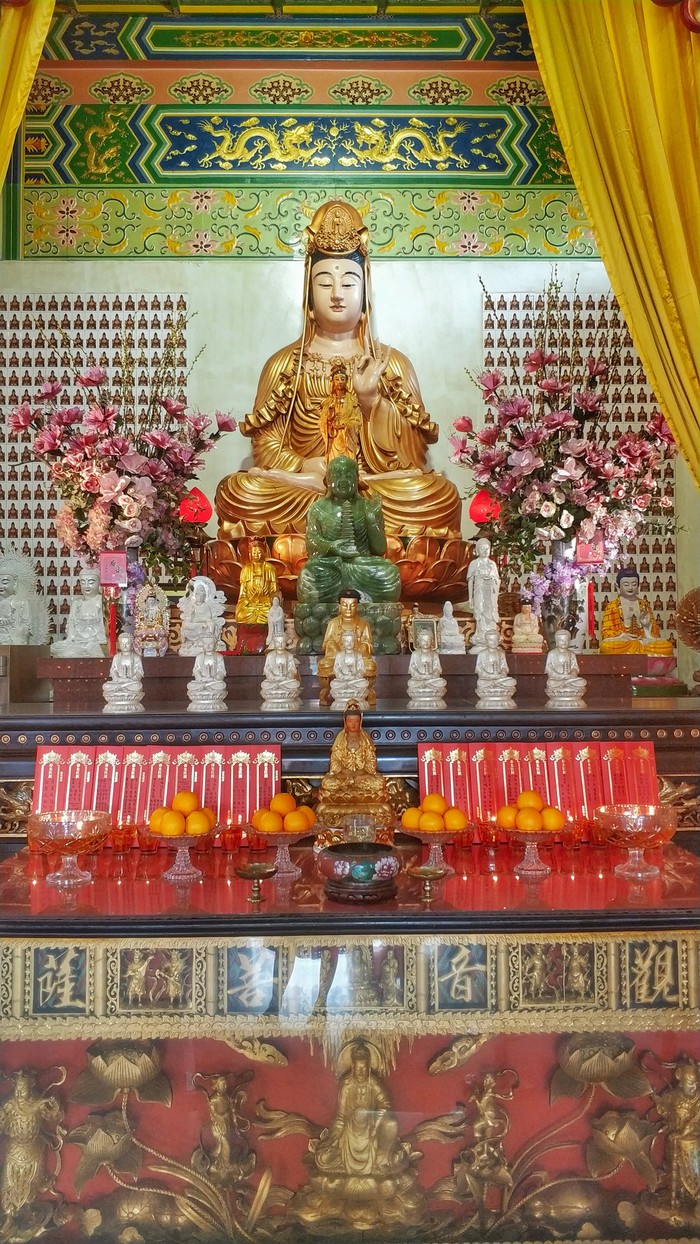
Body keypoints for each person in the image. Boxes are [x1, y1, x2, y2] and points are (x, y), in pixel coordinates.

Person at [215, 198, 461, 540]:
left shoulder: (391, 364)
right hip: (305, 487)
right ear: (308, 295)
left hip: (369, 485)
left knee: (435, 494)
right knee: (241, 491)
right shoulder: (284, 364)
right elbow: (265, 446)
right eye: (324, 283)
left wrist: (371, 402)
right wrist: (304, 465)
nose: (336, 294)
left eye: (348, 283)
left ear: (365, 292)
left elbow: (413, 459)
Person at [297, 455, 401, 604]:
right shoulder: (318, 508)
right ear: (328, 480)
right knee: (309, 575)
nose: (343, 480)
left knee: (389, 573)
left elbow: (380, 549)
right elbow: (311, 542)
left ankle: (337, 601)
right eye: (337, 475)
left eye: (348, 475)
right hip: (330, 566)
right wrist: (331, 546)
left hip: (362, 565)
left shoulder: (367, 506)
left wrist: (371, 519)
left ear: (357, 479)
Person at [316, 701, 394, 827]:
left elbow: (371, 761)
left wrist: (360, 774)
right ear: (345, 722)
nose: (353, 724)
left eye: (356, 721)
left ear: (360, 722)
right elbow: (335, 761)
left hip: (362, 777)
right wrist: (345, 773)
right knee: (327, 783)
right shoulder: (340, 739)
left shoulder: (365, 739)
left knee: (379, 783)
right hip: (343, 777)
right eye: (350, 721)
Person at [318, 588, 377, 706]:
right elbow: (327, 643)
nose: (349, 608)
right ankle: (330, 692)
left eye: (352, 605)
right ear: (339, 606)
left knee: (370, 666)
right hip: (337, 658)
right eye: (345, 605)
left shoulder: (364, 624)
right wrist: (337, 652)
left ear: (357, 607)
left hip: (357, 658)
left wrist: (358, 652)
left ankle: (363, 692)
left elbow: (368, 644)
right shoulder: (333, 623)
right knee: (324, 665)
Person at [600, 566, 673, 657]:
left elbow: (655, 633)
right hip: (623, 643)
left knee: (667, 646)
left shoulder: (644, 605)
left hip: (642, 641)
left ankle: (638, 650)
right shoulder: (612, 606)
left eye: (634, 584)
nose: (630, 587)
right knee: (606, 647)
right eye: (626, 585)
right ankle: (637, 650)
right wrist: (621, 636)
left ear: (638, 586)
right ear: (618, 587)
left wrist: (647, 626)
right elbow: (606, 631)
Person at [50, 567, 107, 658]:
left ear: (99, 583)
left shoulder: (102, 602)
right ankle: (84, 651)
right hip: (78, 641)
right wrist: (71, 638)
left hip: (96, 641)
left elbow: (105, 628)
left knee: (94, 648)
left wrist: (95, 640)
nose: (86, 586)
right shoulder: (76, 604)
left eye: (91, 582)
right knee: (55, 648)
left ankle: (87, 650)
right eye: (83, 582)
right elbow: (71, 623)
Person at [0, 553, 48, 645]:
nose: (1, 586)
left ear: (15, 584)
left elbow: (25, 627)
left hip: (12, 638)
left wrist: (15, 635)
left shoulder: (21, 603)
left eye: (5, 582)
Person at [319, 361, 362, 462]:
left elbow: (357, 420)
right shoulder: (328, 401)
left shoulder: (352, 400)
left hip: (347, 437)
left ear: (347, 381)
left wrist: (347, 425)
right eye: (337, 379)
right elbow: (322, 422)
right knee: (334, 463)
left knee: (348, 462)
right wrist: (330, 417)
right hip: (334, 437)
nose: (340, 382)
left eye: (342, 379)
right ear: (333, 381)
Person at [235, 539, 279, 626]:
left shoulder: (270, 569)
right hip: (250, 606)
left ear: (264, 553)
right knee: (240, 615)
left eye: (259, 552)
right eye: (254, 553)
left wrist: (268, 602)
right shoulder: (245, 569)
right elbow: (242, 595)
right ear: (250, 554)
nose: (256, 555)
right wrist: (248, 603)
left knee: (272, 613)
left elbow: (275, 592)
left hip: (265, 606)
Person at [467, 538, 500, 651]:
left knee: (491, 612)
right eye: (482, 548)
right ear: (477, 550)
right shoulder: (474, 563)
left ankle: (492, 636)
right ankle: (481, 635)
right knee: (480, 613)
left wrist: (491, 579)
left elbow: (497, 580)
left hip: (490, 594)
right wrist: (470, 598)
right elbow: (470, 581)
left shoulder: (492, 564)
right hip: (479, 592)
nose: (485, 551)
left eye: (487, 549)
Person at [179, 576, 226, 656]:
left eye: (202, 595)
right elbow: (190, 619)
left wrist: (204, 622)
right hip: (195, 624)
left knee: (211, 624)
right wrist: (192, 613)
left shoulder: (206, 606)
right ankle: (190, 643)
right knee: (185, 624)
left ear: (205, 596)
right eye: (197, 595)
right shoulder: (192, 606)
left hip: (204, 624)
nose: (199, 597)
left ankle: (208, 642)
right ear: (195, 595)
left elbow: (208, 618)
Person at [102, 632, 144, 713]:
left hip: (131, 682)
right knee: (106, 686)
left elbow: (139, 672)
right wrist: (117, 678)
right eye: (122, 643)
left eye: (127, 643)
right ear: (119, 644)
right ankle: (121, 688)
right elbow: (113, 670)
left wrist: (130, 679)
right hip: (119, 681)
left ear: (132, 644)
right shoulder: (117, 657)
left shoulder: (136, 657)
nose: (124, 646)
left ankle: (121, 688)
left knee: (138, 686)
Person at [330, 631, 370, 710]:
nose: (349, 643)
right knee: (333, 684)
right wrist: (342, 676)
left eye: (351, 641)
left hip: (355, 680)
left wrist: (356, 676)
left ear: (355, 642)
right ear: (342, 643)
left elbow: (361, 669)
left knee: (364, 683)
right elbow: (336, 668)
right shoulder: (339, 655)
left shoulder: (358, 655)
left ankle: (353, 693)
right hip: (343, 680)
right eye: (347, 641)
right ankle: (347, 693)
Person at [545, 629, 587, 705]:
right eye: (561, 640)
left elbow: (575, 668)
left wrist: (571, 675)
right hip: (557, 679)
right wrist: (559, 676)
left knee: (582, 682)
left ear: (569, 641)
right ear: (556, 641)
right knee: (550, 682)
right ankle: (565, 686)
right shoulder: (552, 654)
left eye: (566, 640)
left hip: (570, 679)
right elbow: (549, 668)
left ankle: (565, 685)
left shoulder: (572, 654)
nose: (564, 642)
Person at [475, 629, 517, 706]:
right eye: (491, 640)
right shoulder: (482, 654)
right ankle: (495, 686)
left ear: (498, 640)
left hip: (500, 679)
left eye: (495, 639)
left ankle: (496, 685)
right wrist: (490, 675)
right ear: (486, 641)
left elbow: (505, 667)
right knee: (480, 682)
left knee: (512, 682)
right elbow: (479, 669)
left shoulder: (501, 653)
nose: (493, 642)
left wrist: (501, 674)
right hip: (487, 679)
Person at [187, 634, 227, 712]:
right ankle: (205, 688)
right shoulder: (199, 657)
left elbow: (222, 671)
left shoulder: (219, 657)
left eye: (210, 644)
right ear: (202, 645)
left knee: (222, 685)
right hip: (202, 681)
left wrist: (214, 678)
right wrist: (201, 678)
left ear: (215, 645)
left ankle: (207, 689)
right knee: (190, 685)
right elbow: (196, 670)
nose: (208, 646)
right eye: (205, 644)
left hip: (214, 682)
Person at [407, 629, 447, 704]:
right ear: (419, 641)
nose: (426, 643)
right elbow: (412, 668)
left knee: (442, 682)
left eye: (428, 640)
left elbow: (437, 668)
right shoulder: (415, 654)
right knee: (411, 683)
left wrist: (434, 674)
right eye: (423, 640)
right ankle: (425, 686)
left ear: (432, 641)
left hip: (432, 679)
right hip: (419, 679)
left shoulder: (434, 654)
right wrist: (419, 675)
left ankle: (426, 686)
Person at [261, 633, 301, 707]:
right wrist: (273, 677)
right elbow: (267, 669)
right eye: (278, 642)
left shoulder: (289, 655)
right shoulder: (270, 656)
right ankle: (280, 692)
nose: (280, 644)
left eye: (282, 642)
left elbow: (292, 669)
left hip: (286, 680)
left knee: (295, 684)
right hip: (273, 681)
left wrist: (287, 676)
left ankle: (282, 693)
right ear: (274, 643)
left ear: (286, 643)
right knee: (264, 684)